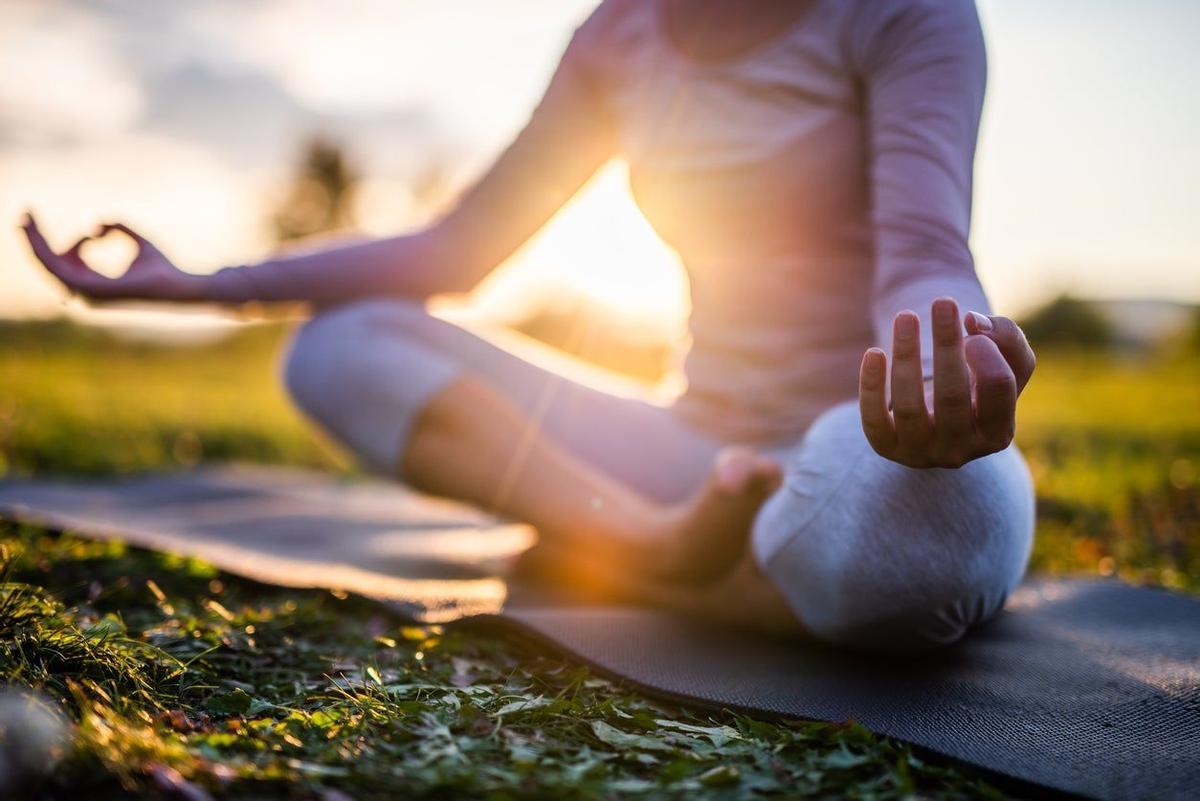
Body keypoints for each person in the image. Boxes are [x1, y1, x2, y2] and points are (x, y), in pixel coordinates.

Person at [22, 0, 1037, 653]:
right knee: (338, 344)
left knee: (931, 544)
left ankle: (631, 554)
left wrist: (941, 367)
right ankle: (653, 549)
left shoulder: (908, 14)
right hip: (688, 454)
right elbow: (457, 251)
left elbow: (922, 254)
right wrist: (195, 284)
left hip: (856, 448)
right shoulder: (619, 37)